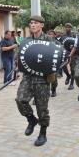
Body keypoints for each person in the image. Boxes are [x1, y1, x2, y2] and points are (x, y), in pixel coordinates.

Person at [15, 15, 53, 147]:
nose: (32, 25)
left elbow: (58, 56)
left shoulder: (49, 40)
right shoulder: (25, 41)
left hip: (42, 79)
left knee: (42, 108)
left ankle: (43, 133)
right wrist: (16, 66)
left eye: (35, 23)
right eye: (31, 23)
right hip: (28, 77)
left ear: (42, 25)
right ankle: (31, 120)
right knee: (20, 100)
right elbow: (18, 57)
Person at [47, 30, 60, 97]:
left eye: (52, 34)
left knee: (53, 78)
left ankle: (54, 90)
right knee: (46, 77)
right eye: (49, 34)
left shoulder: (57, 42)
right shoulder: (45, 42)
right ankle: (47, 91)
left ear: (54, 35)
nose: (50, 35)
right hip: (46, 62)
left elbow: (59, 51)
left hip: (54, 62)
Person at [64, 23, 76, 90]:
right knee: (64, 67)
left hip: (73, 53)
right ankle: (68, 76)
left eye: (69, 27)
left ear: (71, 28)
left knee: (72, 68)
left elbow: (76, 43)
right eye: (66, 27)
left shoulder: (74, 35)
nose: (67, 28)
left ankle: (71, 84)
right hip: (65, 53)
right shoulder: (63, 35)